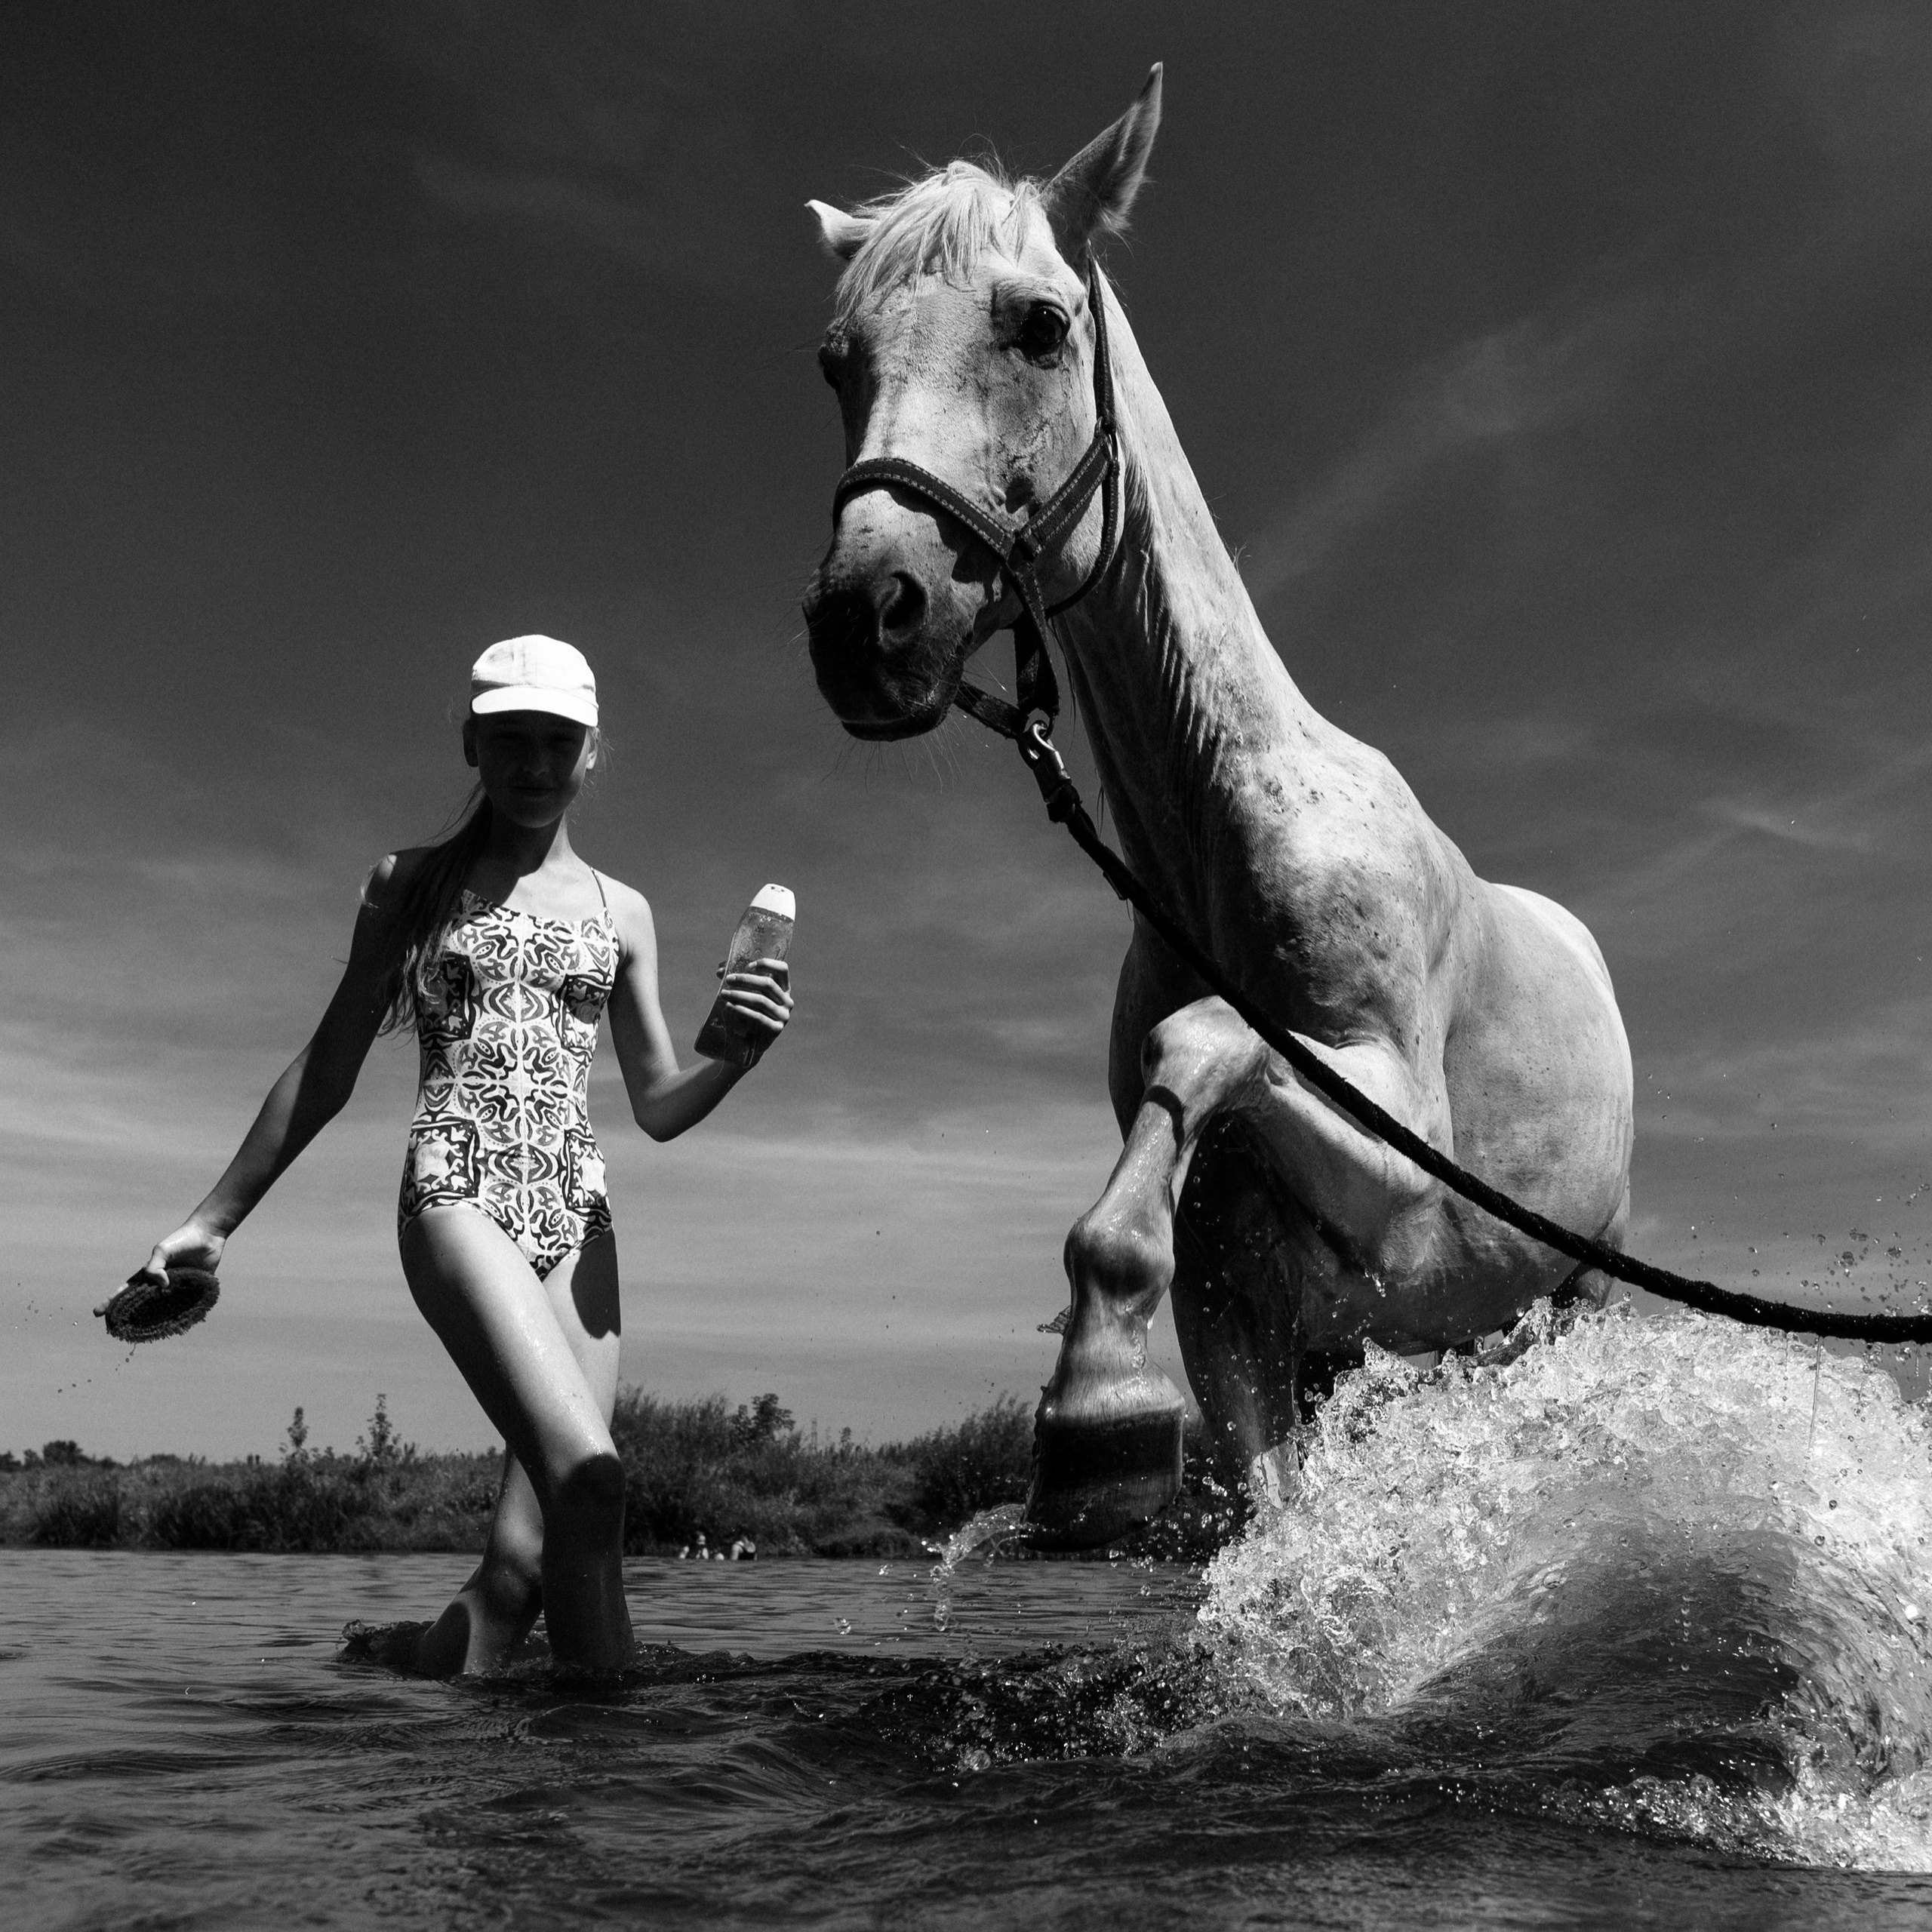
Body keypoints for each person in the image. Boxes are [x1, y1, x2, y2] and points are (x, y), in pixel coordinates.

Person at [135, 635, 792, 1674]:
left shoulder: (627, 914)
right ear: (471, 746)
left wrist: (738, 1056)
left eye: (557, 743)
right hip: (458, 1189)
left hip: (580, 1215)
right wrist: (211, 1221)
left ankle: (404, 1662)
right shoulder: (410, 884)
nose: (535, 765)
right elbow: (328, 1065)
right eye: (510, 741)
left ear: (590, 755)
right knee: (591, 1478)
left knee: (527, 1566)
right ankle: (602, 1768)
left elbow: (661, 1105)